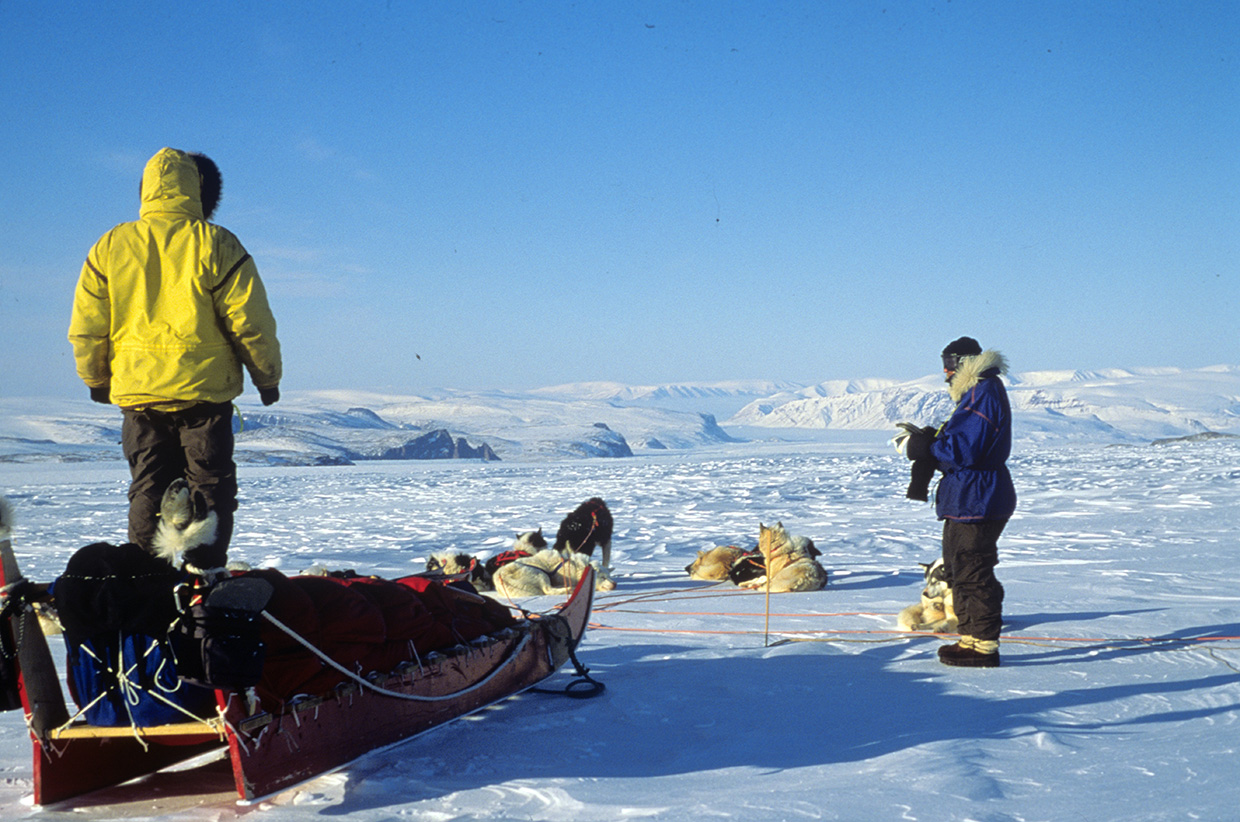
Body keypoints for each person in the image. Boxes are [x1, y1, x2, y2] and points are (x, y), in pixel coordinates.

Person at [69, 147, 282, 576]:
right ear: (200, 190)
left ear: (146, 189)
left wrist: (95, 376)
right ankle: (204, 576)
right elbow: (250, 322)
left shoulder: (110, 247)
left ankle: (145, 578)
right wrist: (267, 377)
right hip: (205, 397)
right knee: (211, 486)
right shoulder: (217, 244)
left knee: (147, 488)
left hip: (140, 395)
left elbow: (88, 325)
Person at [896, 336, 1015, 667]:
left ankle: (983, 646)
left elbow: (963, 449)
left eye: (949, 365)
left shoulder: (983, 393)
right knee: (961, 569)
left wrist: (921, 448)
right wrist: (932, 439)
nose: (946, 373)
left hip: (978, 499)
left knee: (973, 570)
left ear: (962, 364)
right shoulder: (979, 393)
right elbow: (959, 441)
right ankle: (971, 638)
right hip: (970, 497)